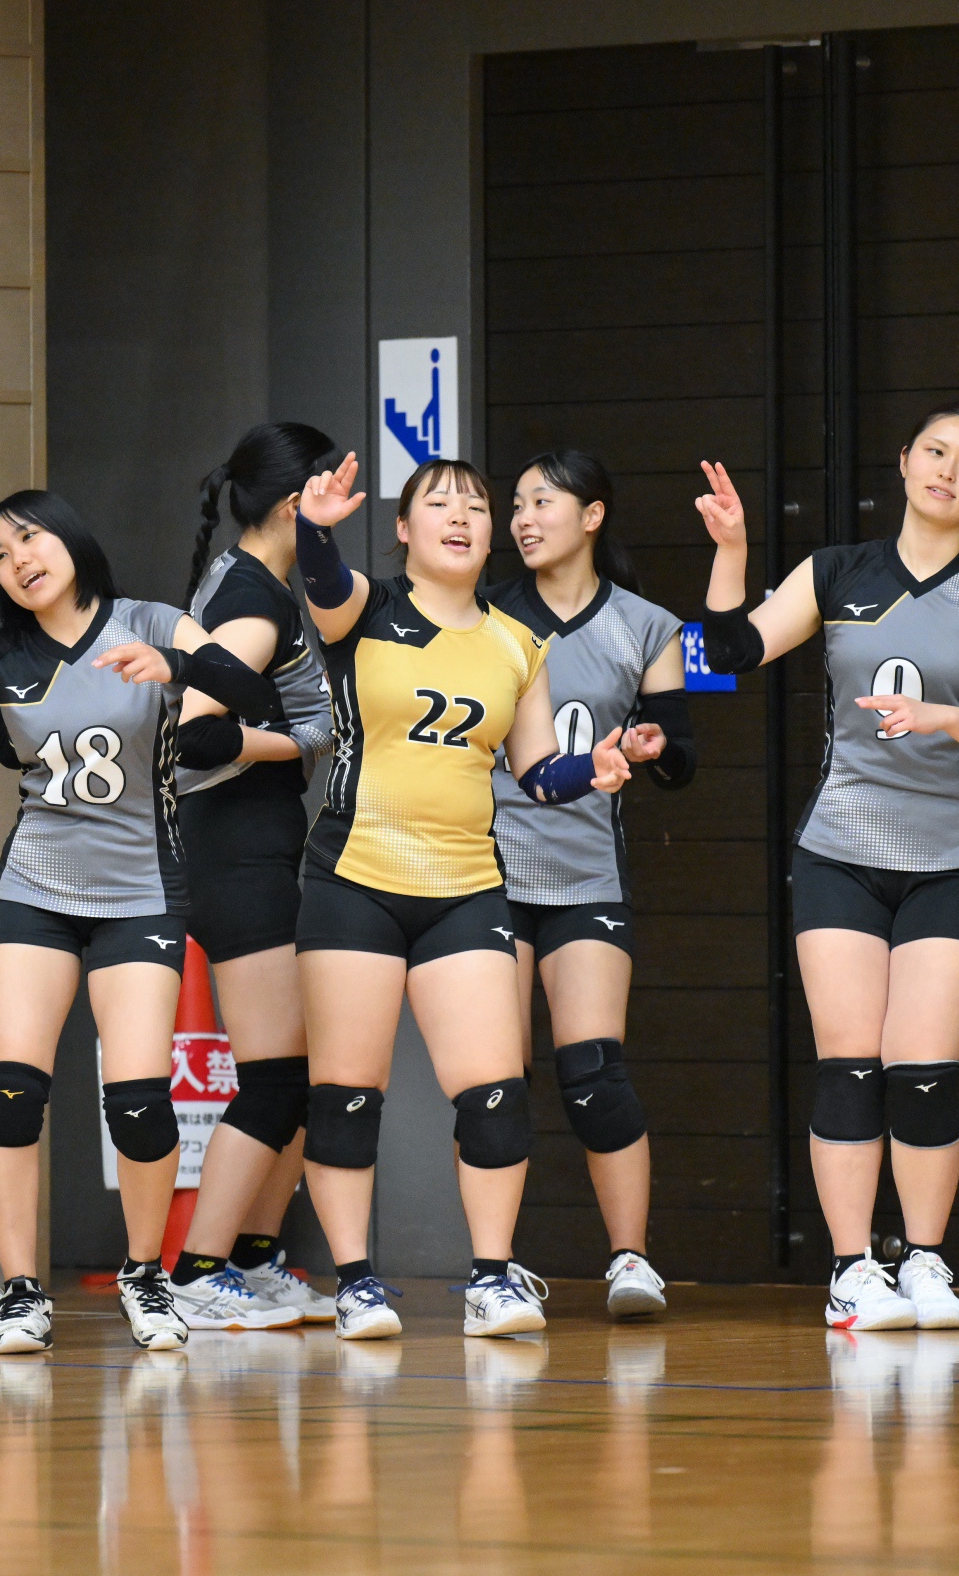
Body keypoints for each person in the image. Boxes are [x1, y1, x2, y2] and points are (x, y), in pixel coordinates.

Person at [0, 489, 279, 1354]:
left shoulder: (150, 621)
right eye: (0, 555)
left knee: (139, 1101)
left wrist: (180, 666)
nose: (20, 559)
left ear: (70, 538)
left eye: (31, 537)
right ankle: (21, 1289)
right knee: (8, 1092)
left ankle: (145, 1274)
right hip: (36, 891)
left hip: (140, 891)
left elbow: (253, 690)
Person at [694, 405, 959, 1333]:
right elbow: (732, 651)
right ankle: (853, 1272)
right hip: (840, 852)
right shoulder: (837, 571)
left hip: (951, 860)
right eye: (934, 452)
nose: (946, 471)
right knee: (849, 1067)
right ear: (903, 462)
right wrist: (732, 550)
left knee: (923, 1070)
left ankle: (926, 1261)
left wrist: (950, 719)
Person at [288, 453, 635, 1340]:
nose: (460, 516)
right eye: (438, 504)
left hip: (467, 885)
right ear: (404, 531)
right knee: (346, 1096)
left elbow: (537, 770)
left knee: (495, 1094)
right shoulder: (364, 610)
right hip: (355, 877)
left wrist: (589, 771)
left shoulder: (518, 644)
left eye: (476, 506)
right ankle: (356, 1283)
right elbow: (320, 577)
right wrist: (315, 526)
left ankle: (491, 1278)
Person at [486, 450, 696, 1318]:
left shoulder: (647, 626)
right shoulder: (489, 617)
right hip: (488, 874)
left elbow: (680, 759)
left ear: (593, 515)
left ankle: (631, 1261)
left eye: (544, 502)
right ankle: (493, 1270)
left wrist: (652, 747)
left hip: (585, 877)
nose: (523, 519)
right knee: (495, 1079)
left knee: (594, 1072)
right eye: (517, 505)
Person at [162, 423, 344, 1330]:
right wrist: (304, 740)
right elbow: (197, 734)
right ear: (294, 501)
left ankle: (254, 1257)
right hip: (233, 849)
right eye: (332, 488)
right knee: (275, 1076)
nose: (345, 505)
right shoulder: (252, 600)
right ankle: (198, 1273)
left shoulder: (258, 582)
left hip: (257, 844)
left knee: (299, 1075)